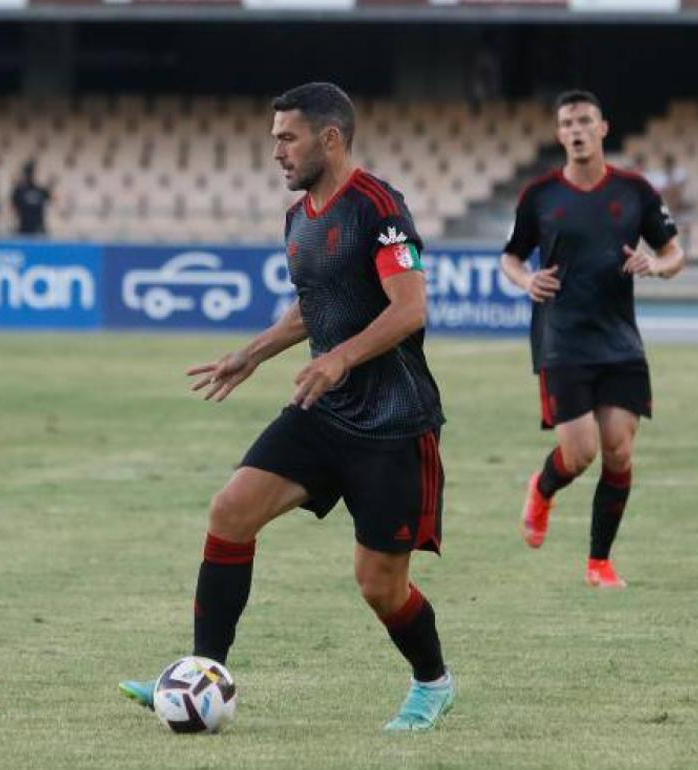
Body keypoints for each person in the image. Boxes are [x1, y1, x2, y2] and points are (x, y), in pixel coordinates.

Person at [119, 82, 454, 732]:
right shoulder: (300, 216)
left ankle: (433, 683)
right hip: (322, 410)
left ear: (330, 138)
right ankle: (202, 676)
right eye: (274, 138)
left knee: (380, 586)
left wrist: (340, 358)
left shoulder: (379, 207)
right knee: (231, 511)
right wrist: (254, 352)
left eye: (287, 137)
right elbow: (316, 305)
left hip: (392, 424)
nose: (275, 151)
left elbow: (410, 307)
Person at [500, 90, 685, 588]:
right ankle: (542, 487)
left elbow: (674, 252)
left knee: (619, 452)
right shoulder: (540, 195)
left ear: (602, 128)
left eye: (585, 120)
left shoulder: (635, 191)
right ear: (560, 134)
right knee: (580, 453)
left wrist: (657, 264)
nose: (577, 130)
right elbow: (511, 257)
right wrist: (524, 281)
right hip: (562, 339)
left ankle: (598, 563)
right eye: (567, 123)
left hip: (620, 342)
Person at [10, 159, 53, 236]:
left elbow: (53, 200)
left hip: (38, 228)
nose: (31, 176)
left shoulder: (40, 190)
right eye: (29, 173)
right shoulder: (19, 190)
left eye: (32, 173)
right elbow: (12, 207)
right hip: (24, 228)